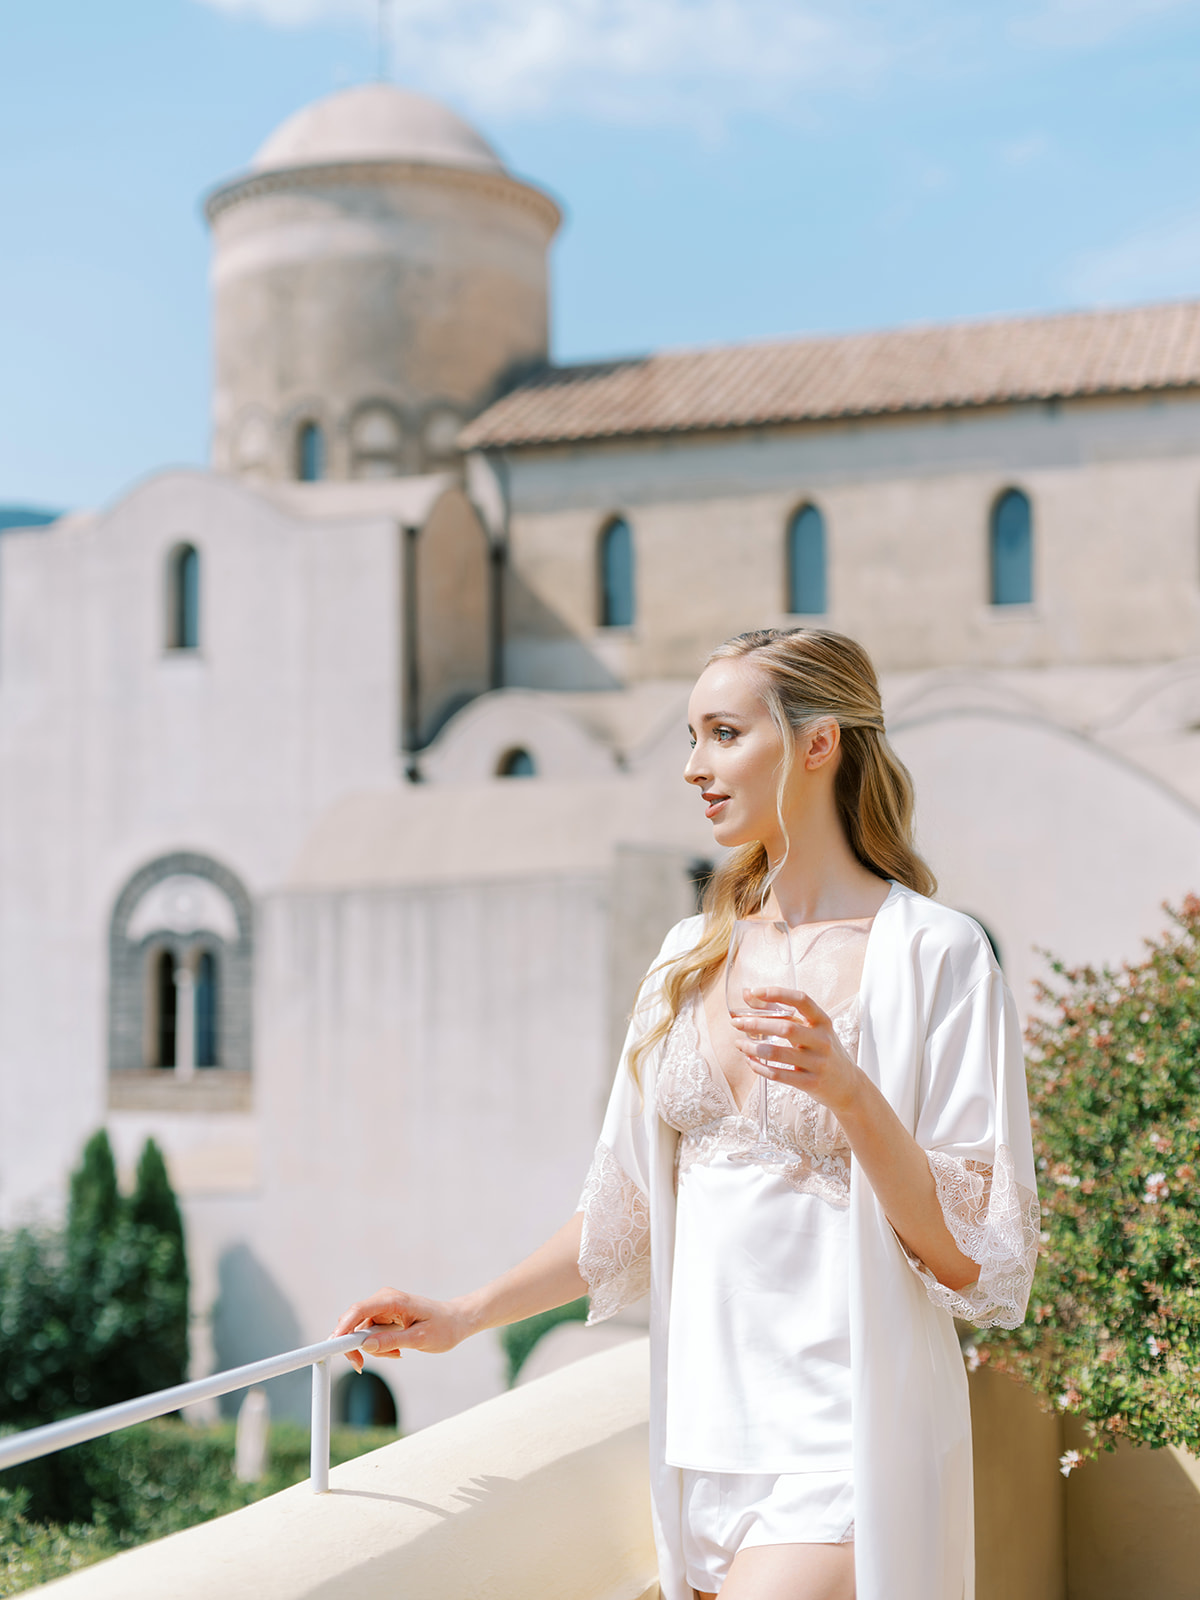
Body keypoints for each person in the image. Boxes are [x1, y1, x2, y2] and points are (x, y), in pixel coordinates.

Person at [333, 628, 1039, 1600]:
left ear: (819, 742)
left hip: (844, 1445)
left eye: (722, 733)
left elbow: (975, 1253)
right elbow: (625, 1210)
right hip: (697, 1449)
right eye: (691, 736)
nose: (693, 766)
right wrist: (462, 1314)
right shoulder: (683, 957)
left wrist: (850, 1094)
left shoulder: (938, 956)